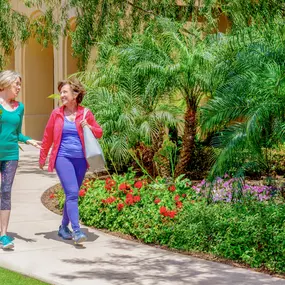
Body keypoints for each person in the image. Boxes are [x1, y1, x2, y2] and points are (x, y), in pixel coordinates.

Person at [39, 78, 102, 245]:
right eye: (61, 92)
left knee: (71, 194)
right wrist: (43, 157)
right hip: (63, 157)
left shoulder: (86, 113)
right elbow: (47, 136)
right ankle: (77, 230)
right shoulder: (56, 114)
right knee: (73, 193)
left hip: (81, 160)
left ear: (75, 94)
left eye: (64, 92)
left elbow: (99, 132)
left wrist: (88, 125)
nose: (61, 95)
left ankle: (63, 227)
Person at [0, 70, 41, 249]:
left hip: (10, 155)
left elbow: (16, 133)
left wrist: (28, 139)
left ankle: (3, 235)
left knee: (6, 192)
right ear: (6, 83)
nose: (18, 88)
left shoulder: (20, 107)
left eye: (19, 85)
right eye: (16, 84)